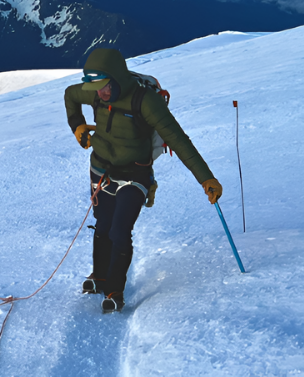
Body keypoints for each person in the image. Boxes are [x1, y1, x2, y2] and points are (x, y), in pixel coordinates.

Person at [64, 47, 222, 313]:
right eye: (96, 88)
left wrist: (206, 178)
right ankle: (99, 277)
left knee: (119, 231)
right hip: (101, 170)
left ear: (116, 78)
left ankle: (114, 291)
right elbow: (70, 94)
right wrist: (77, 125)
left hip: (134, 175)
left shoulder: (145, 101)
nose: (100, 94)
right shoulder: (97, 91)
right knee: (103, 226)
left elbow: (178, 139)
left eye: (104, 87)